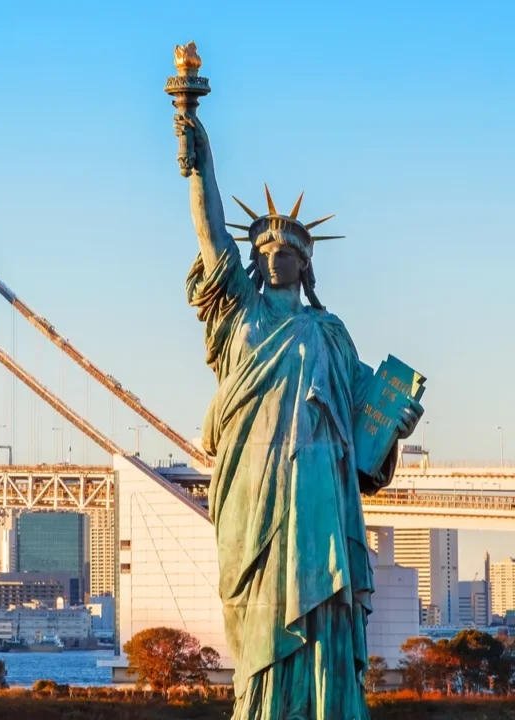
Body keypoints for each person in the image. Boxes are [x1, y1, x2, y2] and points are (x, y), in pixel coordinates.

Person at [175, 111, 422, 719]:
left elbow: (368, 416)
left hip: (319, 491)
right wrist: (196, 150)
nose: (277, 255)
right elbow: (210, 235)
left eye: (291, 249)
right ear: (253, 261)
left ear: (307, 264)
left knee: (325, 611)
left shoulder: (330, 334)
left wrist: (396, 425)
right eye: (266, 247)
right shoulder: (237, 313)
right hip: (253, 490)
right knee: (259, 619)